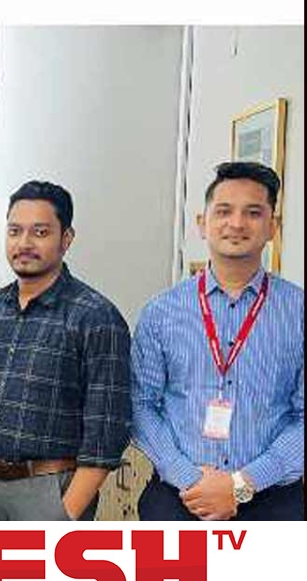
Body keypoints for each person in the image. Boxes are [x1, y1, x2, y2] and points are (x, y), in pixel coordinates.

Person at [133, 161, 303, 521]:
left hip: (273, 502)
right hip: (178, 498)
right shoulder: (161, 312)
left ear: (272, 227)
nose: (237, 223)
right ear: (202, 223)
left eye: (253, 213)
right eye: (224, 211)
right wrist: (190, 480)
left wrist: (241, 485)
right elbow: (140, 404)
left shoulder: (298, 311)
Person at [0, 181, 131, 521]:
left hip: (47, 491)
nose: (24, 243)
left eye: (40, 232)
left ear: (66, 238)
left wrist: (63, 514)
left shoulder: (96, 317)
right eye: (15, 231)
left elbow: (106, 434)